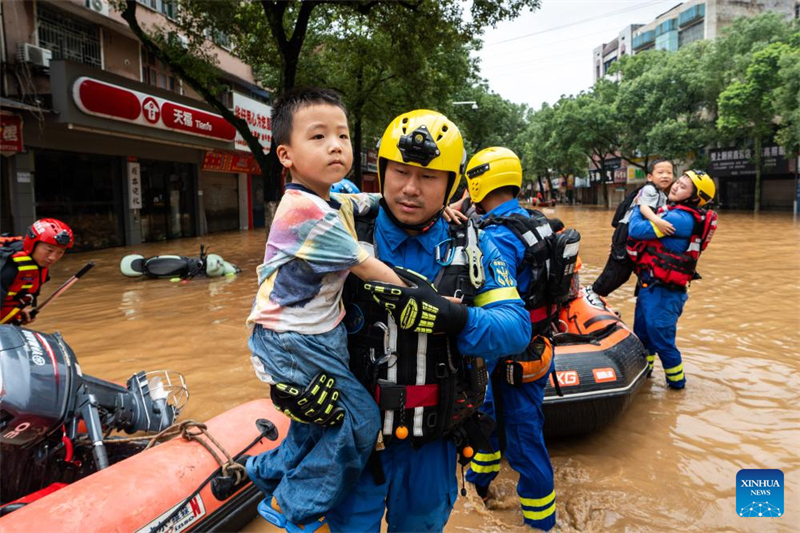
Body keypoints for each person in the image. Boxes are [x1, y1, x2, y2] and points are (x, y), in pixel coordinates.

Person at [266, 110, 532, 532]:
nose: (410, 188)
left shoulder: (473, 244)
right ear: (382, 170)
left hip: (432, 447)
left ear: (451, 183)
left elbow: (516, 328)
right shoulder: (338, 223)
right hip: (352, 442)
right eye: (400, 172)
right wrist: (289, 390)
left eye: (428, 177)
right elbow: (280, 314)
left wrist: (454, 317)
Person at [245, 88, 407, 533]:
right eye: (318, 137)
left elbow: (363, 202)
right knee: (358, 418)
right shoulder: (305, 213)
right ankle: (293, 505)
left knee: (320, 421)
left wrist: (416, 200)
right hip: (292, 336)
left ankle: (266, 470)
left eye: (342, 135)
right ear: (286, 155)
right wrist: (431, 301)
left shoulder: (331, 197)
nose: (335, 145)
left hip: (318, 331)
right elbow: (370, 267)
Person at [461, 147, 580, 531]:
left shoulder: (497, 236)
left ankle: (540, 522)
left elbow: (486, 295)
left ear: (476, 181)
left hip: (506, 350)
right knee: (497, 419)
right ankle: (479, 483)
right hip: (536, 345)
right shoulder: (537, 222)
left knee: (521, 438)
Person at [627, 170, 717, 389]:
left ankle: (677, 388)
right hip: (651, 287)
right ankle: (646, 378)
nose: (676, 186)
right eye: (679, 182)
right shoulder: (674, 211)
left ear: (695, 198)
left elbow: (636, 229)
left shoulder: (680, 218)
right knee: (643, 337)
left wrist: (640, 205)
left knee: (663, 342)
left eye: (684, 186)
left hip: (665, 293)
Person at [592, 159, 675, 297]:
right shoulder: (649, 189)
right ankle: (594, 292)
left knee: (626, 270)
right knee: (618, 270)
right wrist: (658, 221)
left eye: (669, 172)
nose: (665, 176)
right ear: (650, 177)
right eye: (660, 172)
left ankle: (598, 292)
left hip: (634, 234)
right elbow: (644, 208)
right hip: (626, 231)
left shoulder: (662, 194)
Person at [1, 218, 73, 325]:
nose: (53, 258)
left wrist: (18, 311)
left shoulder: (38, 265)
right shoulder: (8, 268)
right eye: (49, 250)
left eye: (60, 252)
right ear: (33, 244)